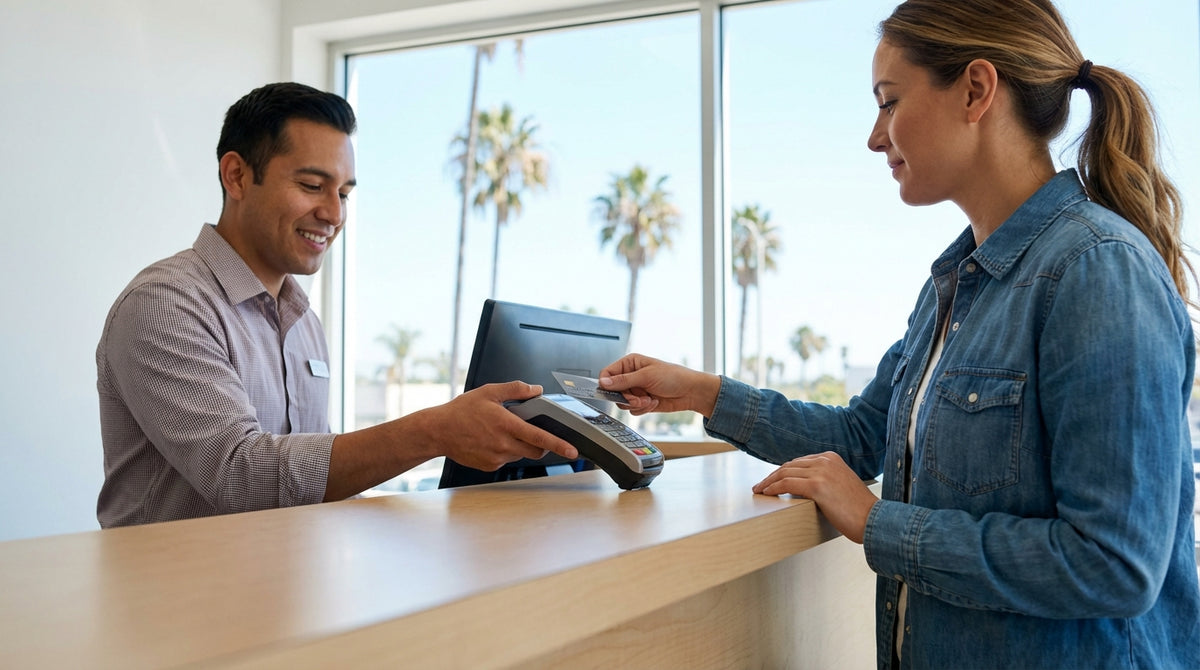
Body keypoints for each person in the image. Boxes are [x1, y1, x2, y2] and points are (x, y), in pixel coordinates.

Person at [599, 1, 1200, 667]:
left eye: (889, 102)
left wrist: (879, 523)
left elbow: (1112, 564)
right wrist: (702, 392)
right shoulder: (953, 286)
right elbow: (863, 436)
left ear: (976, 90)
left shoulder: (1096, 269)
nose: (875, 136)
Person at [96, 82, 577, 528]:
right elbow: (242, 477)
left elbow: (311, 481)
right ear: (236, 175)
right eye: (311, 186)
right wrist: (435, 431)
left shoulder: (302, 322)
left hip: (282, 598)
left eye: (344, 193)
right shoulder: (165, 304)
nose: (334, 213)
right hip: (176, 608)